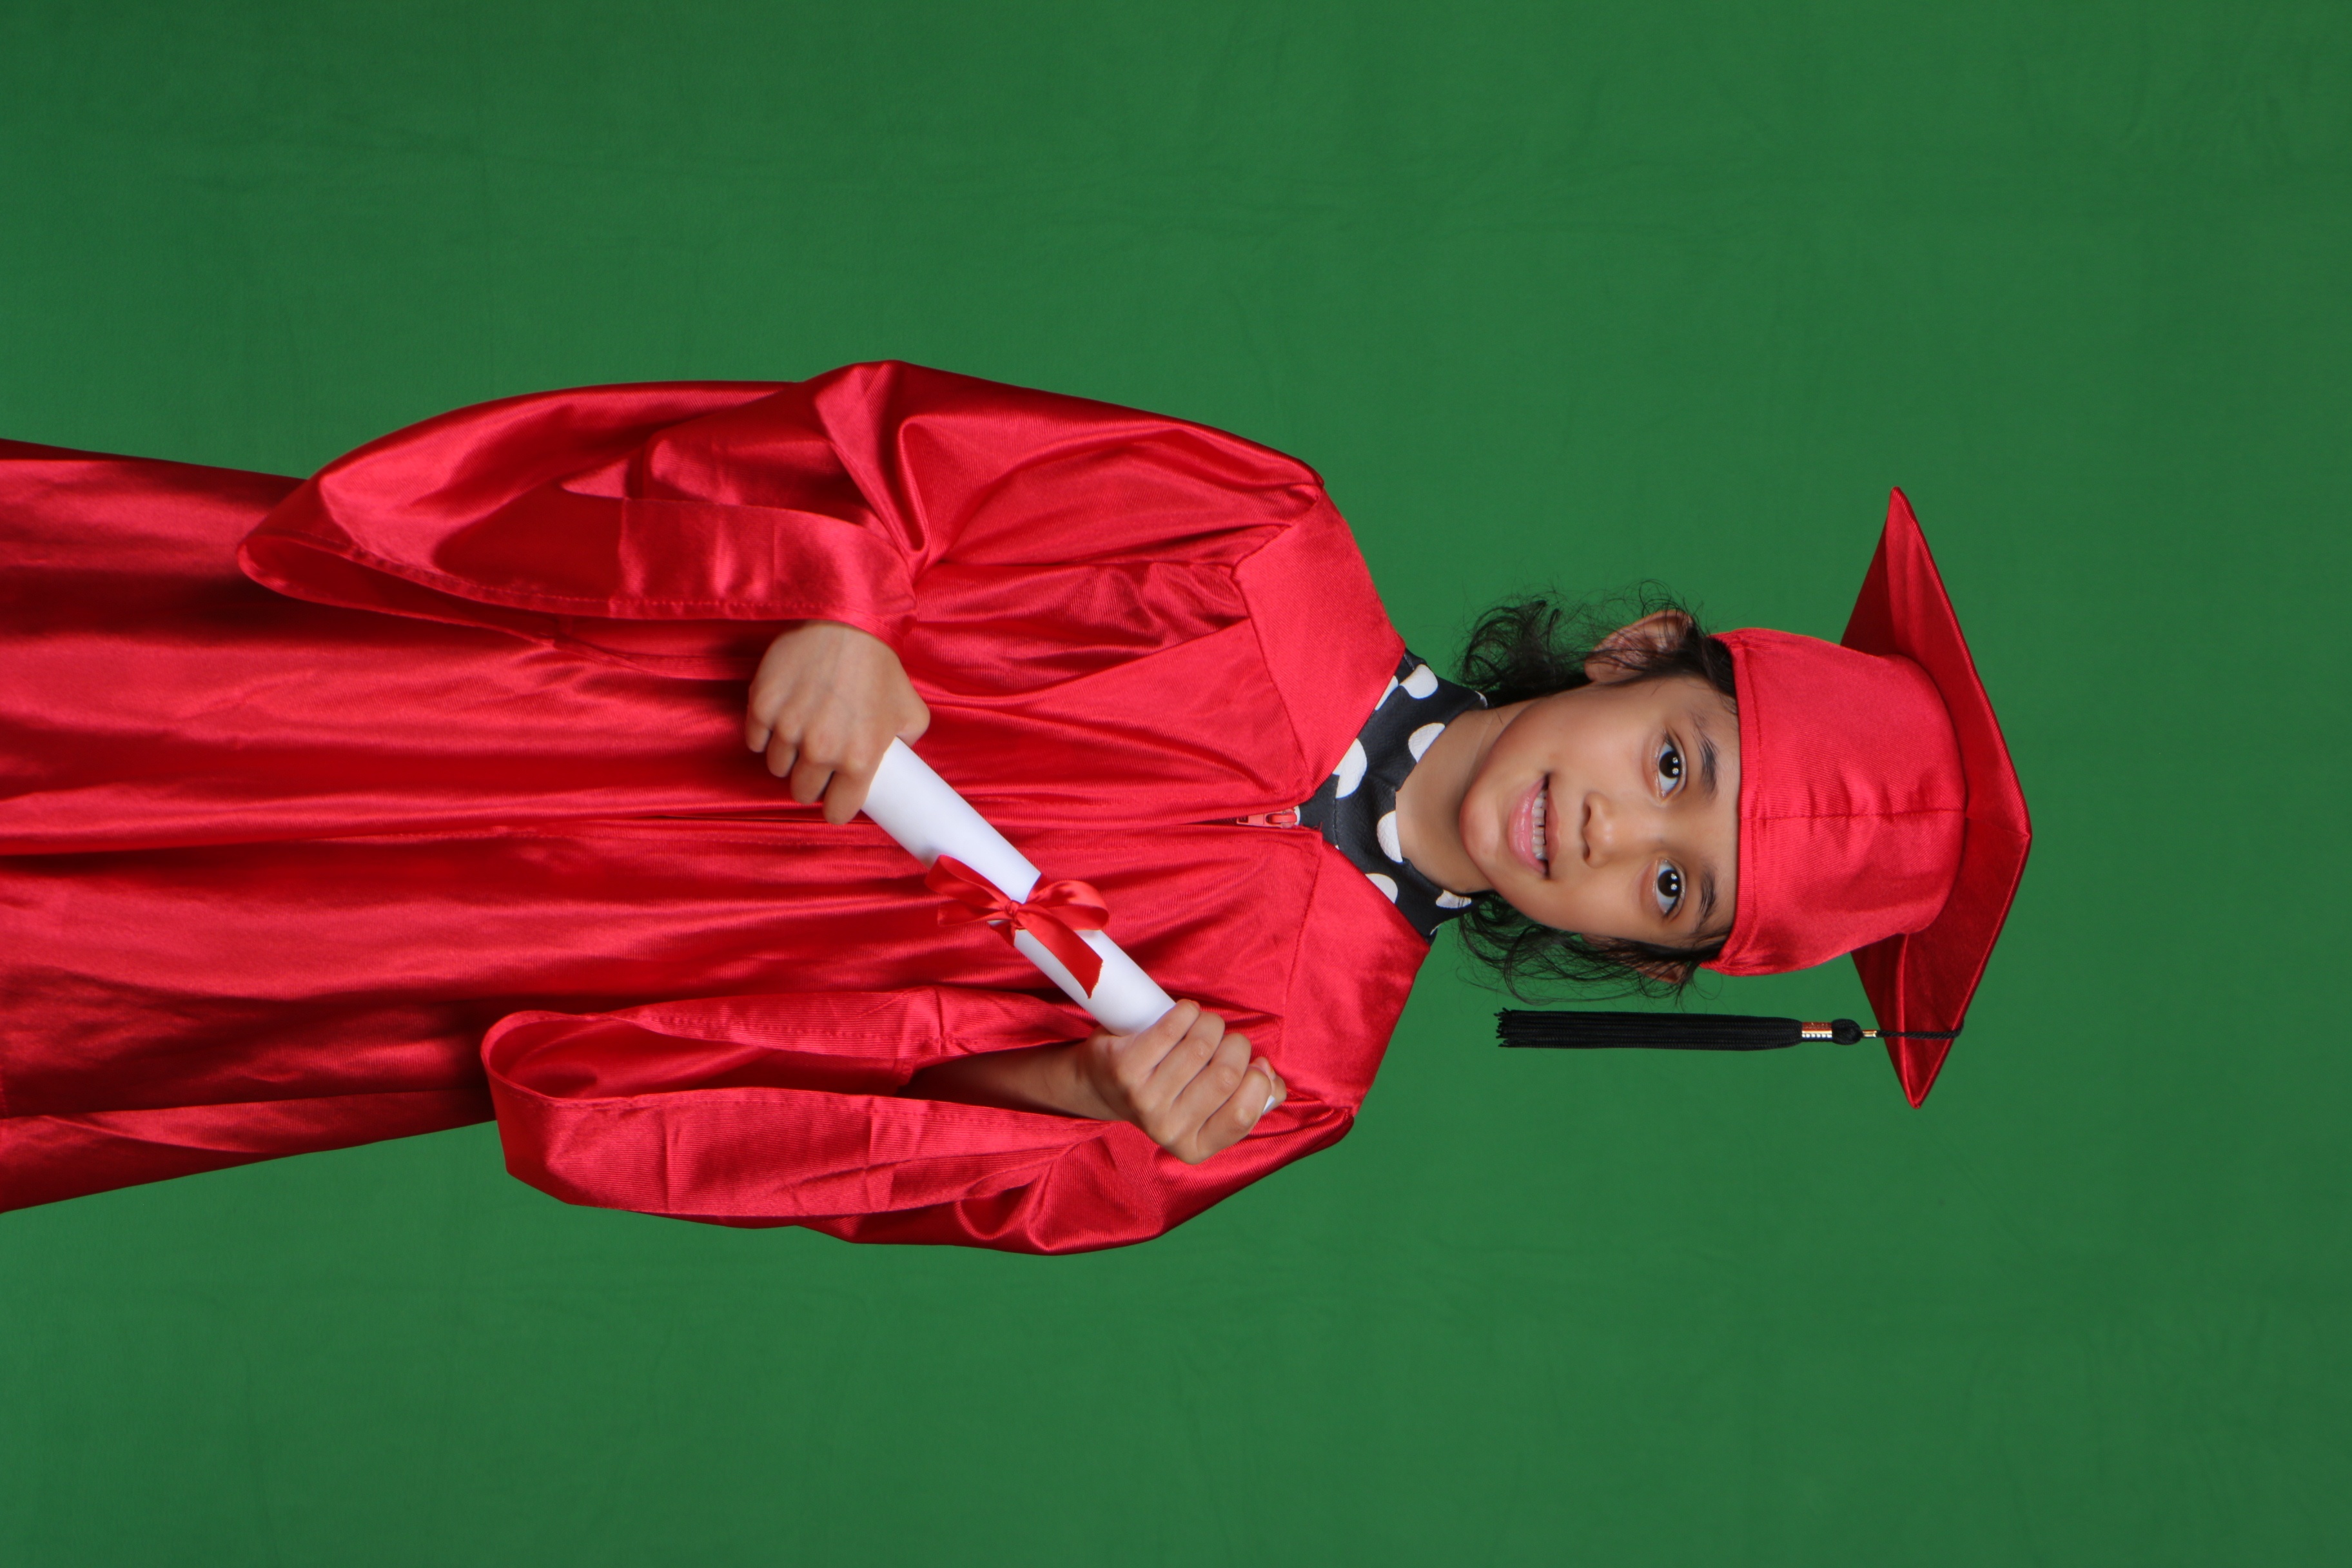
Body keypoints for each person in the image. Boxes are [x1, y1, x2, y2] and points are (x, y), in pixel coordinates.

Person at [0, 362, 2026, 1251]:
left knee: (138, 974)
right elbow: (886, 458)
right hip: (552, 706)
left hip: (591, 951)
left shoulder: (1286, 1075)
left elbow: (874, 1161)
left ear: (1642, 964)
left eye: (1674, 892)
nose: (1614, 836)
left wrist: (1086, 1098)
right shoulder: (1260, 540)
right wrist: (844, 608)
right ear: (1642, 656)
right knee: (117, 686)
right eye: (1677, 767)